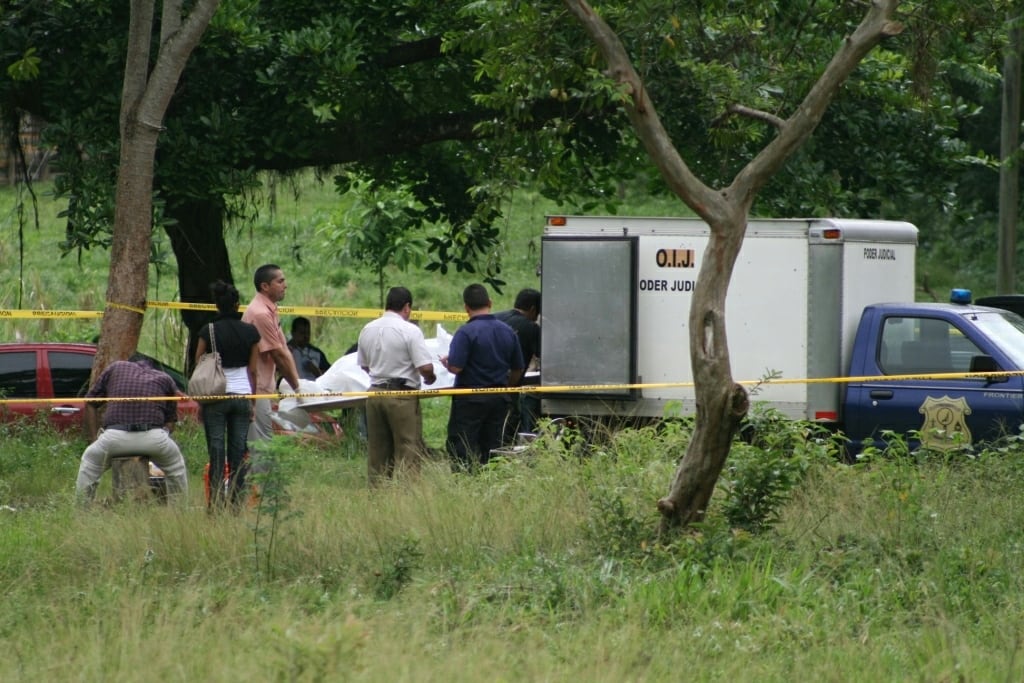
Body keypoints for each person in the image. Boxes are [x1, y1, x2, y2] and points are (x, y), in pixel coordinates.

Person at [75, 354, 189, 504]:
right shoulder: (164, 378)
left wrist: (94, 440)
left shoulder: (116, 367)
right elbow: (170, 422)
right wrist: (161, 437)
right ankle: (179, 512)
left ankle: (82, 509)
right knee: (176, 467)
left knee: (89, 463)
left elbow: (90, 402)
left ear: (128, 363)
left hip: (114, 437)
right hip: (153, 437)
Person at [357, 286, 437, 485]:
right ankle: (407, 495)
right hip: (402, 396)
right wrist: (430, 378)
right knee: (407, 447)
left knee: (377, 448)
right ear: (407, 307)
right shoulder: (410, 330)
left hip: (375, 394)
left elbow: (364, 365)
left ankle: (377, 495)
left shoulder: (367, 328)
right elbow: (425, 367)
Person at [441, 283, 524, 471]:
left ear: (466, 308)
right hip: (498, 398)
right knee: (494, 445)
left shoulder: (465, 332)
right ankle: (492, 481)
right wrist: (507, 388)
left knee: (463, 445)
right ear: (490, 302)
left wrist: (448, 363)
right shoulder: (507, 331)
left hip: (470, 400)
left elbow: (455, 368)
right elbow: (518, 368)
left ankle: (466, 481)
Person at [195, 280, 261, 508]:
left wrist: (200, 403)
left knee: (216, 452)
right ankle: (235, 505)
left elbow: (199, 363)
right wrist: (252, 402)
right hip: (242, 396)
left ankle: (215, 506)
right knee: (239, 454)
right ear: (238, 305)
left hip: (215, 397)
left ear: (216, 305)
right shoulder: (251, 332)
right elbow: (253, 370)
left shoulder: (208, 331)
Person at [241, 264, 301, 443]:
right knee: (261, 443)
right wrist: (298, 389)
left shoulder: (270, 310)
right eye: (280, 281)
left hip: (262, 385)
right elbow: (278, 355)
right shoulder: (260, 314)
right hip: (254, 386)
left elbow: (283, 349)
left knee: (262, 439)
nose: (285, 285)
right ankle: (260, 472)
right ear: (265, 286)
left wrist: (297, 384)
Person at [494, 288, 541, 440]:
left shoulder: (495, 317)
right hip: (509, 384)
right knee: (509, 423)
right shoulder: (531, 327)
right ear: (533, 309)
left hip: (484, 383)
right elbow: (542, 355)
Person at [288, 316, 331, 381]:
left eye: (308, 333)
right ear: (293, 333)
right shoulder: (284, 352)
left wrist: (317, 372)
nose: (306, 336)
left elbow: (330, 375)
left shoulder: (317, 353)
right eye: (302, 333)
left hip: (312, 389)